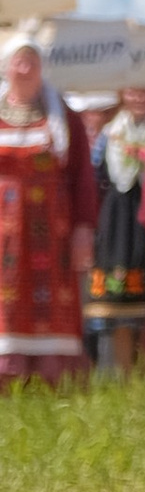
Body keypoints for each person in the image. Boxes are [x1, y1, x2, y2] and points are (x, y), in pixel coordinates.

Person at [0, 35, 95, 388]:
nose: (25, 69)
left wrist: (84, 229)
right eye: (19, 61)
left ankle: (53, 378)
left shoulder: (64, 117)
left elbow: (82, 178)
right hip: (3, 232)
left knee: (53, 299)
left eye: (33, 62)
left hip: (51, 230)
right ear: (6, 67)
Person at [85, 80, 145, 373]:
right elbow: (93, 174)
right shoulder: (109, 134)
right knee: (119, 296)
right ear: (122, 95)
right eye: (132, 91)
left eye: (144, 91)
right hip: (117, 219)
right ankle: (125, 373)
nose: (138, 97)